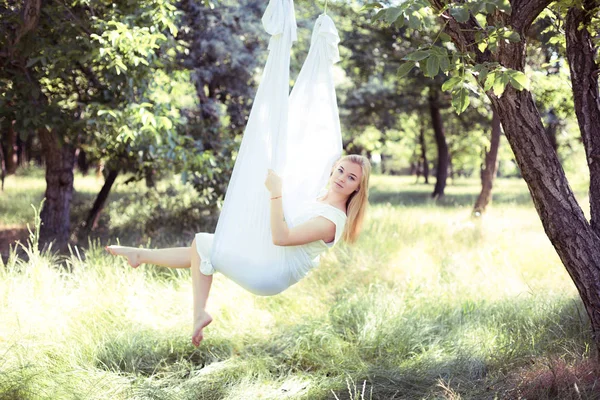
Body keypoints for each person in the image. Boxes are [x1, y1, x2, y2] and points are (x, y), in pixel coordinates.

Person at [106, 154, 371, 346]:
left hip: (272, 273)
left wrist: (275, 193)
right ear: (332, 169)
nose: (342, 179)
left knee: (203, 243)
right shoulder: (317, 197)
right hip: (269, 260)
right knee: (206, 248)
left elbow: (281, 236)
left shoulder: (332, 220)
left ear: (358, 187)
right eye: (340, 171)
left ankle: (199, 311)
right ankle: (139, 255)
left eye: (351, 178)